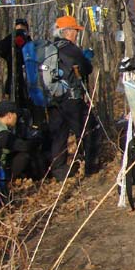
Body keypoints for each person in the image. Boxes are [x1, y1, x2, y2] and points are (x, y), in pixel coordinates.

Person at [48, 14, 96, 181]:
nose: (76, 34)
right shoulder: (72, 49)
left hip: (54, 99)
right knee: (86, 129)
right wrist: (86, 58)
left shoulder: (50, 48)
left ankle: (59, 171)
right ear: (67, 32)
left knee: (59, 135)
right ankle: (89, 165)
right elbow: (86, 69)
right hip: (72, 99)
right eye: (75, 31)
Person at [0, 99, 44, 185]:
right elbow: (24, 146)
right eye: (16, 115)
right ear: (9, 115)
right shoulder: (2, 133)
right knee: (25, 156)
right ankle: (10, 180)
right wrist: (37, 138)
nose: (17, 118)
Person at [0, 18, 32, 108]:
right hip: (13, 82)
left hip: (28, 84)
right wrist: (14, 36)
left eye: (22, 29)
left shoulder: (29, 43)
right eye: (18, 29)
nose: (20, 32)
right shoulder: (10, 43)